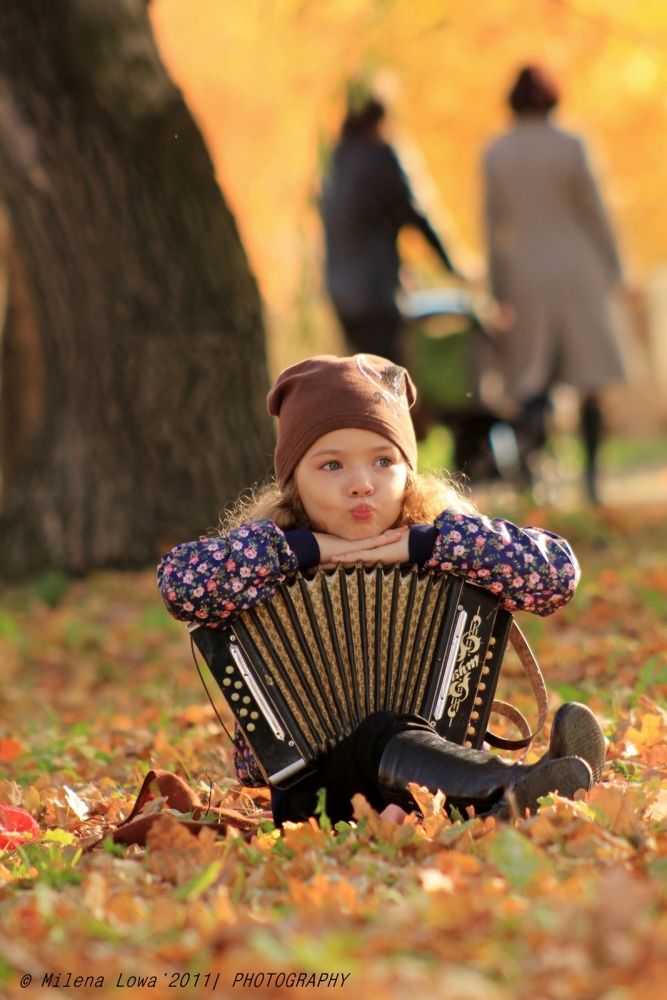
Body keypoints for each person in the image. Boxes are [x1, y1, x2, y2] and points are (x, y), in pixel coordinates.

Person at [158, 353, 606, 827]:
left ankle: (502, 799)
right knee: (380, 731)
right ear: (294, 482)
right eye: (331, 465)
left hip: (436, 774)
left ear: (408, 472)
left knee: (397, 731)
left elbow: (556, 575)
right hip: (313, 793)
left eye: (383, 461)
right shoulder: (266, 557)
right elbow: (178, 583)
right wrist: (299, 551)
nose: (360, 484)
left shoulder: (441, 541)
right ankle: (518, 785)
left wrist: (430, 544)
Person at [483, 65, 627, 503]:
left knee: (532, 377)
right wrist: (617, 270)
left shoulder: (496, 152)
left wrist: (496, 285)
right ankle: (592, 481)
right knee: (589, 375)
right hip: (578, 268)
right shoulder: (572, 144)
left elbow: (492, 224)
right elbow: (595, 211)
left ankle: (533, 477)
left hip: (525, 272)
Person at [321, 95, 460, 364]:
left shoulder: (339, 157)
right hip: (374, 294)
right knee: (388, 379)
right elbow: (417, 215)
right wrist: (452, 265)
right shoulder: (381, 156)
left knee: (361, 373)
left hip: (341, 293)